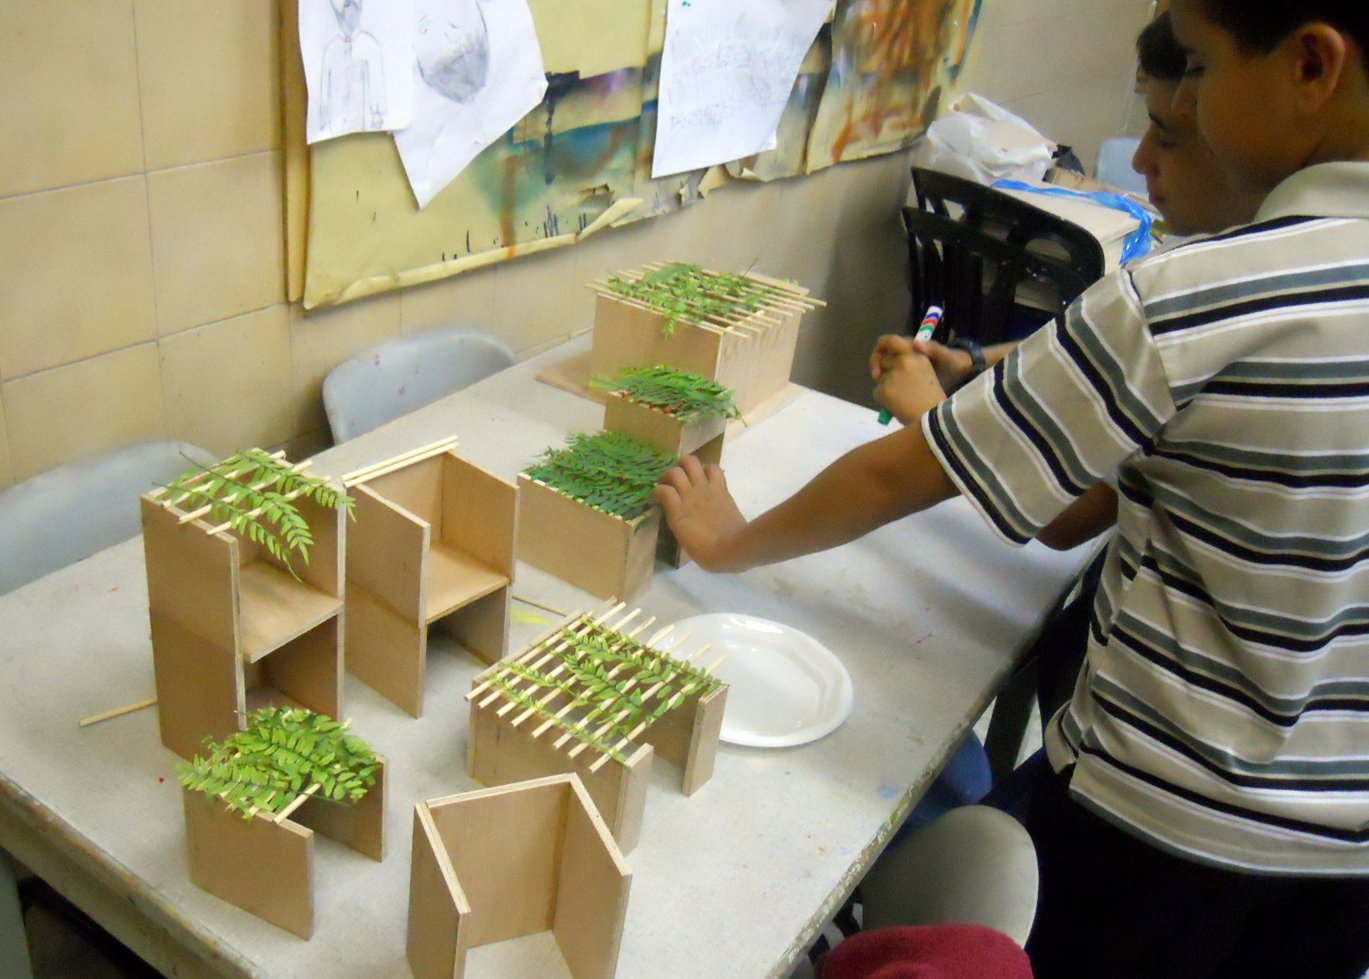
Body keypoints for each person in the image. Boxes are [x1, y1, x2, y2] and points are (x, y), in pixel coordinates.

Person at [655, 1, 1369, 975]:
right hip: (1338, 844)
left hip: (1159, 817)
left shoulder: (1200, 292)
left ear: (1310, 68)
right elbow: (1121, 487)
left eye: (1198, 70)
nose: (1166, 136)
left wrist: (729, 541)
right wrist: (986, 381)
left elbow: (902, 477)